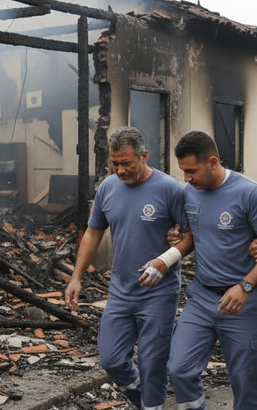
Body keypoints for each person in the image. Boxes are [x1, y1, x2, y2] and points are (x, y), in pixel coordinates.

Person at [64, 127, 192, 410]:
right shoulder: (107, 188)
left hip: (159, 293)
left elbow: (191, 235)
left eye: (127, 163)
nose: (120, 170)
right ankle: (145, 400)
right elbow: (93, 233)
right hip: (121, 292)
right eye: (115, 163)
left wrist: (166, 258)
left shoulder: (170, 189)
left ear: (144, 156)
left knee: (152, 363)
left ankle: (152, 403)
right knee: (111, 359)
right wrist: (76, 277)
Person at [167, 130, 257, 410]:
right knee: (180, 368)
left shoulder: (251, 193)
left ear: (212, 162)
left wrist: (246, 285)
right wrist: (177, 240)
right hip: (202, 297)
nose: (187, 179)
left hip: (243, 300)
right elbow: (191, 236)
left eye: (191, 171)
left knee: (245, 379)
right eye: (183, 171)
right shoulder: (189, 193)